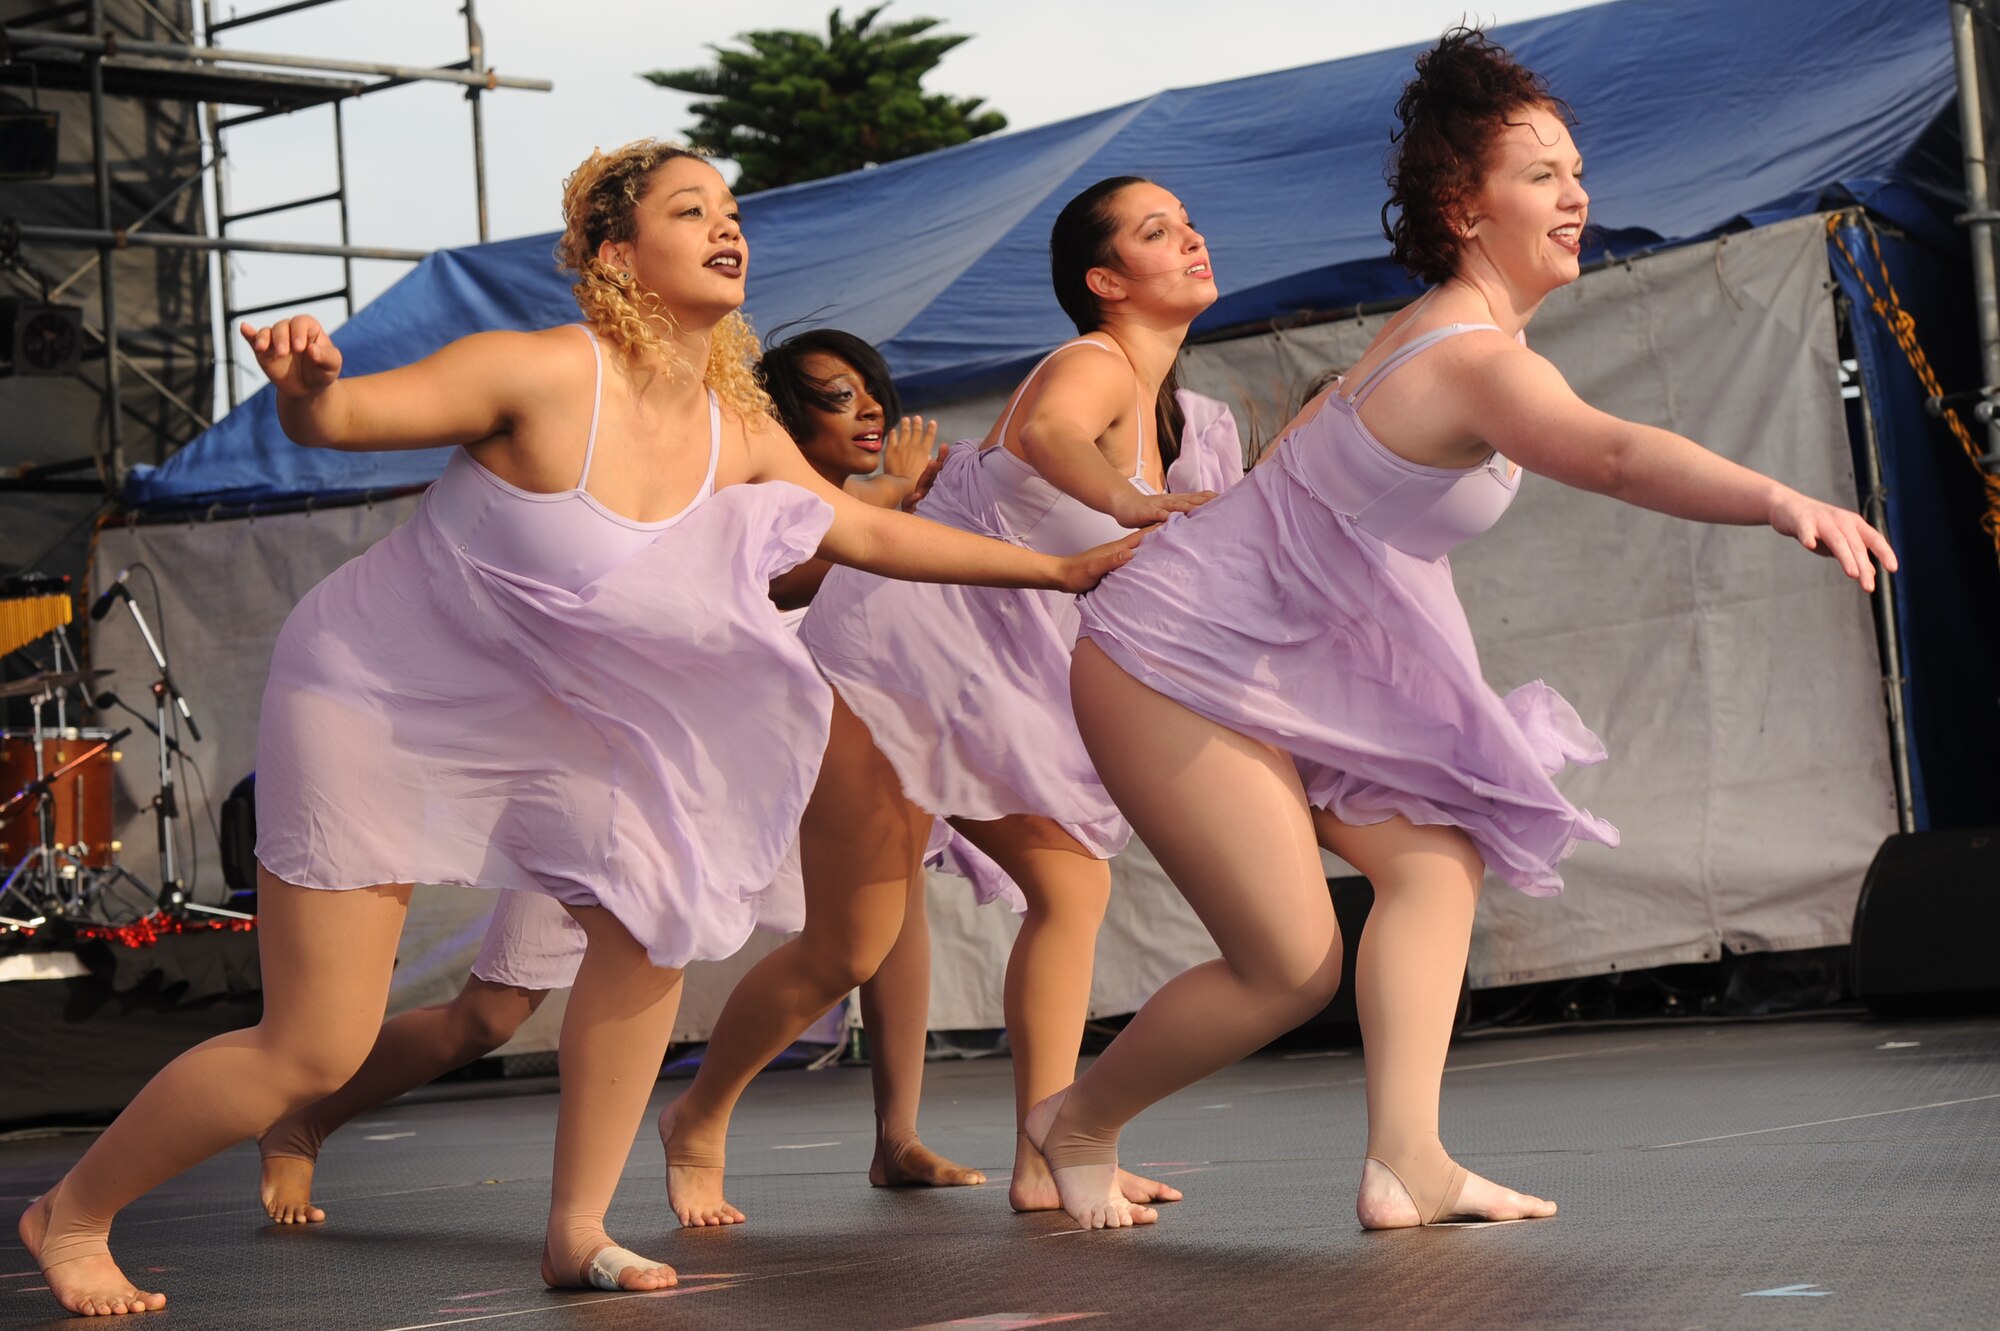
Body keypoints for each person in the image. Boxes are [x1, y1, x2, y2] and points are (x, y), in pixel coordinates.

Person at [15, 140, 1136, 1317]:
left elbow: (867, 533)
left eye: (730, 209)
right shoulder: (543, 371)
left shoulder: (738, 432)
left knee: (651, 915)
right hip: (372, 700)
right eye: (688, 210)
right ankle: (72, 1211)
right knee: (314, 1047)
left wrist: (1059, 570)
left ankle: (575, 1230)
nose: (726, 226)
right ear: (612, 255)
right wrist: (305, 385)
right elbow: (341, 416)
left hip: (552, 715)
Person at [1025, 27, 1900, 1231]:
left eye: (1574, 171)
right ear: (1460, 207)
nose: (1574, 195)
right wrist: (1776, 497)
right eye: (1539, 175)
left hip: (1270, 664)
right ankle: (1072, 1123)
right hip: (1163, 663)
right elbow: (1607, 451)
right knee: (1290, 963)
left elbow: (1315, 508)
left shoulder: (1437, 339)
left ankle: (1407, 1161)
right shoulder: (1468, 357)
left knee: (1435, 856)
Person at [252, 331, 981, 1230]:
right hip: (613, 762)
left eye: (873, 392)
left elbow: (893, 566)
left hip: (746, 767)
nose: (869, 409)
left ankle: (881, 1133)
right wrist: (889, 507)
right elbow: (792, 574)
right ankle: (305, 1119)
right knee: (491, 1014)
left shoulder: (866, 502)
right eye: (839, 396)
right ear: (782, 421)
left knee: (887, 901)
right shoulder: (727, 483)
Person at [659, 175, 1235, 1227]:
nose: (1192, 238)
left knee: (1071, 886)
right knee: (849, 946)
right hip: (884, 661)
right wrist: (1125, 499)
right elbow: (1047, 436)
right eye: (1159, 231)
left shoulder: (1176, 417)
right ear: (1105, 281)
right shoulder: (1091, 364)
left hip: (981, 681)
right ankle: (693, 1119)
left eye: (1190, 223)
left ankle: (1047, 1153)